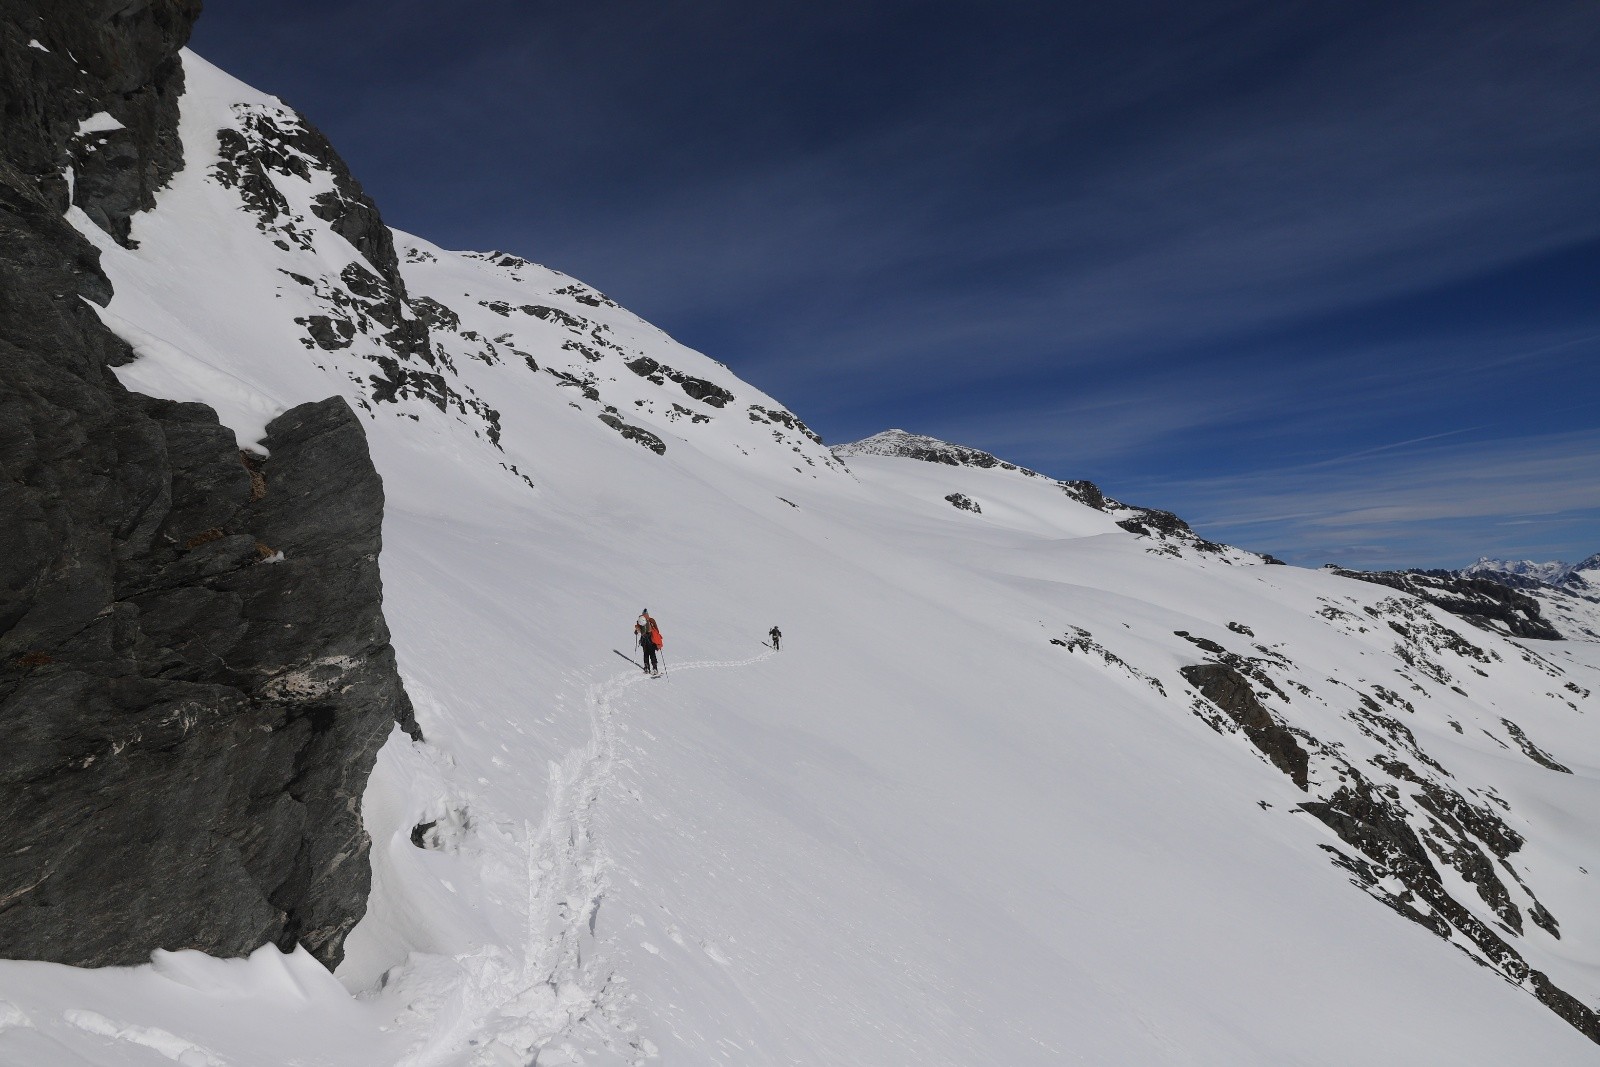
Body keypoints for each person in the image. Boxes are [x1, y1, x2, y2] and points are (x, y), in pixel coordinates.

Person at [635, 609, 662, 676]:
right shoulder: (651, 620)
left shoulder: (640, 619)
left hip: (644, 640)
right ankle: (655, 668)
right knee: (652, 653)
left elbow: (637, 629)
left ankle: (647, 667)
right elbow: (656, 629)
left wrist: (637, 631)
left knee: (646, 653)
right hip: (651, 639)